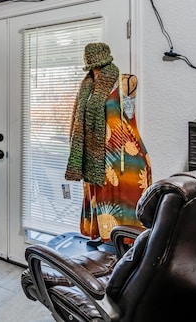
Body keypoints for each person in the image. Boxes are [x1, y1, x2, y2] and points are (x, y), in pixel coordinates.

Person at [65, 42, 152, 241]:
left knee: (126, 226)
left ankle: (127, 266)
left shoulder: (126, 82)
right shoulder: (85, 87)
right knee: (103, 223)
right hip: (94, 164)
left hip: (123, 162)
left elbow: (128, 115)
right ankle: (104, 265)